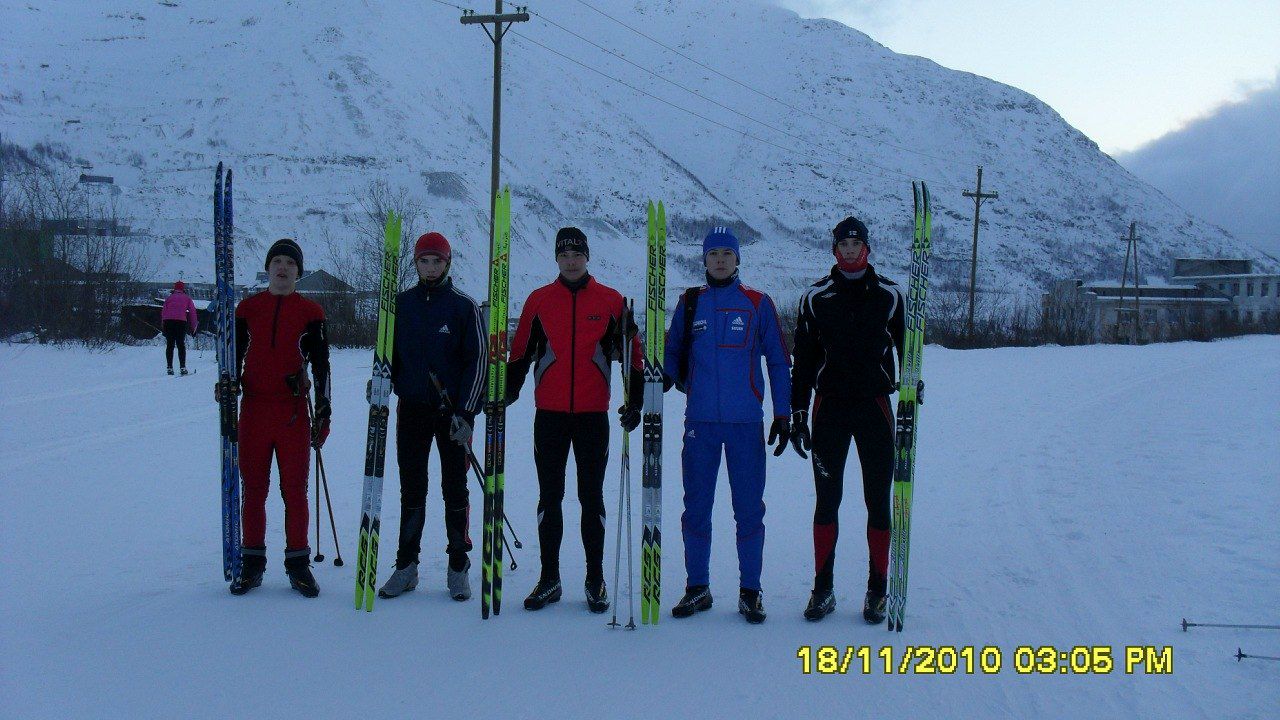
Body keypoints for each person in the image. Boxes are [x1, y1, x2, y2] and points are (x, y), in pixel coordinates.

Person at [506, 226, 643, 613]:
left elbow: (632, 356)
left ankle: (595, 578)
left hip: (591, 417)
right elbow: (519, 354)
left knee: (590, 498)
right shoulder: (539, 301)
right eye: (564, 254)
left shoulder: (612, 301)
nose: (570, 260)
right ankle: (550, 578)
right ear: (556, 258)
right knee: (549, 497)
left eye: (576, 254)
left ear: (587, 256)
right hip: (548, 416)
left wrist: (635, 401)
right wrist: (504, 393)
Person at [664, 226, 792, 624]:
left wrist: (782, 414)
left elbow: (777, 361)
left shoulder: (757, 303)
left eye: (727, 253)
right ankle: (697, 587)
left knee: (749, 510)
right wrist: (648, 386)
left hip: (744, 424)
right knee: (696, 508)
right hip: (700, 422)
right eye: (713, 253)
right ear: (703, 259)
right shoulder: (689, 304)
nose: (719, 259)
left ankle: (750, 591)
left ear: (738, 259)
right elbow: (669, 357)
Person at [789, 216, 906, 624]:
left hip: (874, 407)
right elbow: (802, 361)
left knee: (878, 499)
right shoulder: (816, 297)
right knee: (827, 500)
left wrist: (911, 387)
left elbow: (909, 352)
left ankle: (877, 589)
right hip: (830, 410)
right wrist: (797, 411)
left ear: (867, 248)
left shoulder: (890, 295)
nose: (851, 250)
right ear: (834, 250)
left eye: (857, 243)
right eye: (844, 244)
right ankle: (823, 588)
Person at [215, 238, 331, 598]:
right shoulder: (247, 309)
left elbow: (322, 366)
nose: (283, 268)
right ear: (268, 268)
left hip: (293, 413)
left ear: (298, 271)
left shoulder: (311, 312)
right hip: (254, 411)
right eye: (277, 261)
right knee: (254, 491)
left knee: (295, 491)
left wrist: (324, 412)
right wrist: (226, 387)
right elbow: (230, 361)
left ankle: (298, 564)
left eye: (290, 263)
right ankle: (252, 563)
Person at [376, 232, 486, 602]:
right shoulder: (400, 305)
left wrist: (467, 412)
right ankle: (407, 565)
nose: (430, 267)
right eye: (424, 260)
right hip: (412, 410)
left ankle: (459, 566)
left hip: (452, 414)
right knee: (412, 488)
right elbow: (387, 354)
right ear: (415, 263)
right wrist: (379, 381)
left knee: (455, 488)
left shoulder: (462, 307)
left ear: (448, 263)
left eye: (437, 260)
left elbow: (478, 362)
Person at [161, 280, 198, 375]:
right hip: (181, 322)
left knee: (170, 345)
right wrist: (194, 328)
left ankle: (169, 367)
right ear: (183, 288)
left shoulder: (169, 298)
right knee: (181, 345)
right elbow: (193, 313)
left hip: (168, 322)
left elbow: (164, 313)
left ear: (174, 288)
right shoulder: (187, 298)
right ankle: (182, 367)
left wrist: (163, 326)